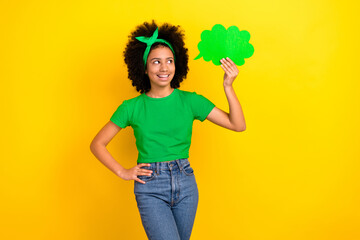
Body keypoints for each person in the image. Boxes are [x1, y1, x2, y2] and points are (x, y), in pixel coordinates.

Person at [90, 20, 246, 240]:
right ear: (144, 67)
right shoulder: (131, 107)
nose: (164, 68)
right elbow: (97, 144)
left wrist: (228, 86)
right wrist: (122, 171)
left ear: (177, 64)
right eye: (156, 62)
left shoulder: (191, 101)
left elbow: (237, 125)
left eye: (169, 61)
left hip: (186, 183)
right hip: (150, 187)